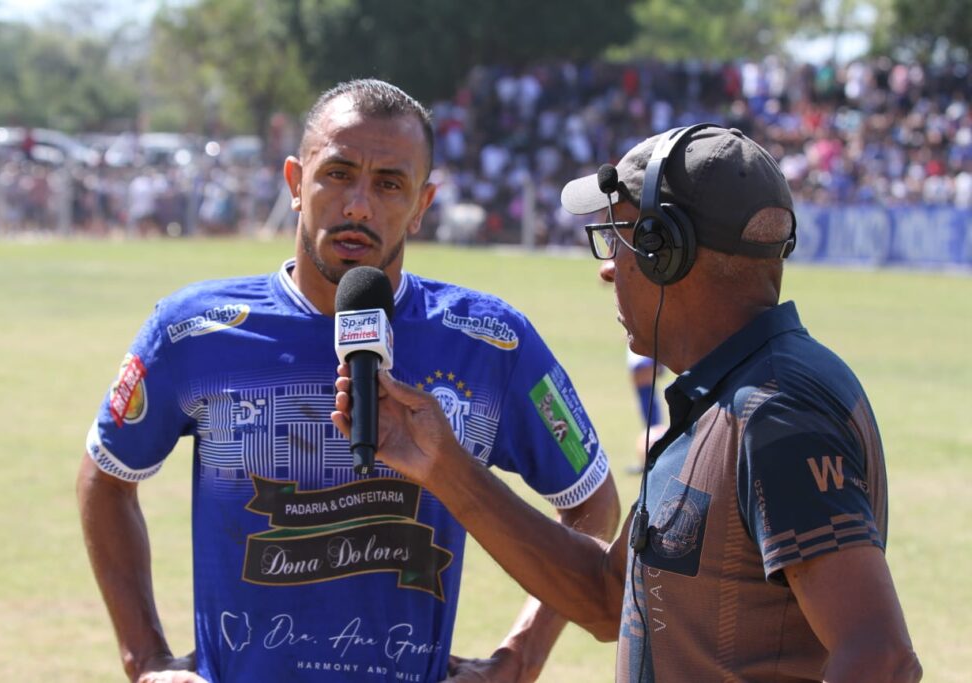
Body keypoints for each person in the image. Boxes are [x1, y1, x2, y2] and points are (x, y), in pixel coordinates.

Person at [332, 124, 922, 681]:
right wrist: (442, 465)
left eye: (615, 240)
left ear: (667, 251)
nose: (608, 271)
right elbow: (605, 594)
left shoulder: (775, 410)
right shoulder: (729, 396)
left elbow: (881, 657)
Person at [77, 78, 620, 683]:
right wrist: (144, 656)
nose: (358, 205)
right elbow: (106, 478)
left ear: (422, 205)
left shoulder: (491, 342)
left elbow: (591, 501)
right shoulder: (193, 330)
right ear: (294, 182)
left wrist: (519, 658)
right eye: (338, 174)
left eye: (390, 184)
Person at [624, 348, 665, 474]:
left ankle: (656, 453)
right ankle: (653, 454)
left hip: (649, 341)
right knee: (641, 382)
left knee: (643, 377)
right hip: (644, 340)